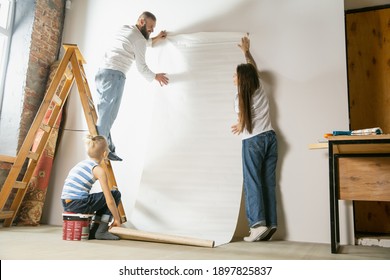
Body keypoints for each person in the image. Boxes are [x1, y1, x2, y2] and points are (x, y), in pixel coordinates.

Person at [95, 11, 169, 161]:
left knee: (105, 113)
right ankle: (101, 149)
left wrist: (155, 38)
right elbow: (141, 67)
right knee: (108, 115)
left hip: (102, 72)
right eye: (150, 27)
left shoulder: (126, 29)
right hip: (115, 75)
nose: (152, 30)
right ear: (142, 22)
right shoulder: (139, 40)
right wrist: (156, 76)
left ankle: (108, 147)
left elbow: (140, 41)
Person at [231, 35, 278, 242]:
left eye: (235, 75)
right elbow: (253, 68)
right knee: (267, 182)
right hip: (270, 138)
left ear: (241, 79)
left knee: (252, 182)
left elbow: (243, 118)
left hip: (254, 142)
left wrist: (240, 125)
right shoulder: (257, 87)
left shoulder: (240, 96)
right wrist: (247, 53)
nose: (233, 78)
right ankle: (271, 223)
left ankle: (257, 225)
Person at [61, 135, 122, 240]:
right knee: (114, 194)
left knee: (101, 198)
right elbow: (109, 200)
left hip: (66, 202)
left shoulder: (81, 164)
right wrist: (117, 219)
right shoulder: (98, 170)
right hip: (79, 203)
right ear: (105, 153)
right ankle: (101, 231)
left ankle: (95, 231)